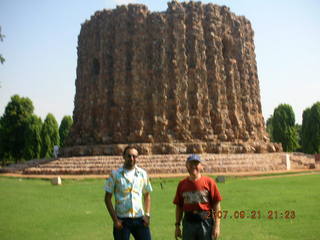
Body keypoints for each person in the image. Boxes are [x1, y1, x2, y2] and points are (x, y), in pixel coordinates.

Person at [104, 146, 153, 240]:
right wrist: (115, 220)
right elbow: (107, 198)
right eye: (129, 156)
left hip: (140, 219)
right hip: (122, 220)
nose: (132, 159)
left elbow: (147, 195)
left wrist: (147, 215)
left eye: (134, 156)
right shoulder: (115, 174)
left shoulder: (142, 174)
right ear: (123, 156)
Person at [173, 154, 222, 240]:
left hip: (205, 223)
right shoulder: (182, 184)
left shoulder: (209, 182)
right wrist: (177, 226)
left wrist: (217, 226)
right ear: (186, 166)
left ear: (201, 166)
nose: (193, 166)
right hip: (188, 224)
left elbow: (217, 206)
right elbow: (179, 207)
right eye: (190, 164)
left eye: (196, 163)